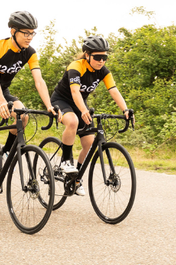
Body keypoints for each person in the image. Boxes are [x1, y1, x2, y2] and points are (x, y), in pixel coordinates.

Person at [0, 11, 56, 212]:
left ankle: (8, 151)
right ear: (13, 31)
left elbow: (39, 80)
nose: (29, 36)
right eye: (25, 32)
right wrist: (1, 102)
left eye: (32, 33)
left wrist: (49, 106)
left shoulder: (30, 52)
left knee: (23, 114)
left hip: (4, 92)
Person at [50, 35, 131, 196]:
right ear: (87, 55)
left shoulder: (103, 72)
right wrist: (83, 110)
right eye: (98, 57)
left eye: (105, 57)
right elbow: (74, 91)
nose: (101, 61)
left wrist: (126, 110)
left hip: (80, 104)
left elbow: (113, 91)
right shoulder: (76, 66)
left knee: (89, 144)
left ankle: (75, 179)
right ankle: (66, 161)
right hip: (62, 101)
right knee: (72, 121)